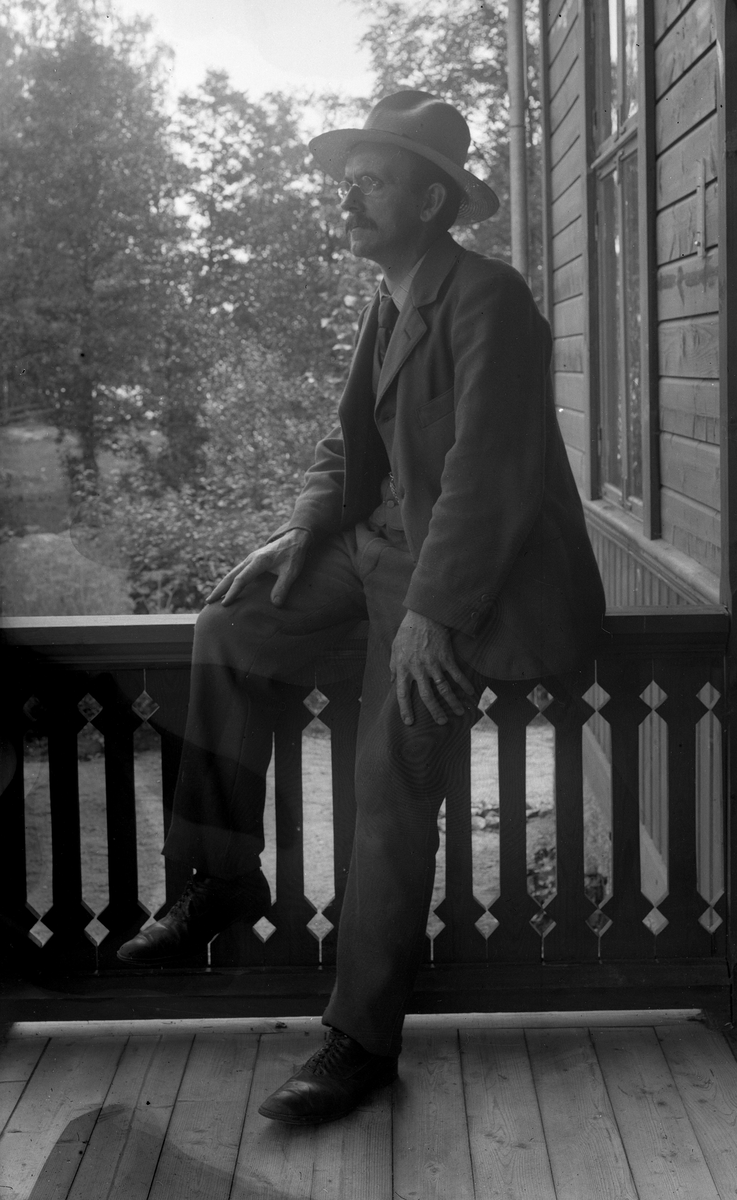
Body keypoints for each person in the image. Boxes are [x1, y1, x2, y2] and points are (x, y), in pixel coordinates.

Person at [118, 91, 605, 1123]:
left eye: (372, 181)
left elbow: (488, 472)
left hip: (456, 580)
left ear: (429, 200)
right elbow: (350, 444)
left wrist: (433, 613)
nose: (347, 197)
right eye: (347, 181)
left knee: (388, 782)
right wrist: (295, 532)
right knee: (230, 628)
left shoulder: (488, 299)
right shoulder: (387, 303)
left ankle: (360, 1041)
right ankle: (220, 879)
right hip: (369, 551)